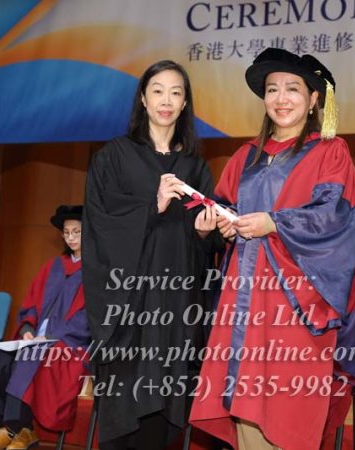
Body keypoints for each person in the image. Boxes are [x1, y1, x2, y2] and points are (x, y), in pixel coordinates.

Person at [189, 48, 355, 449]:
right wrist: (216, 224)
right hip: (244, 294)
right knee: (243, 396)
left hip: (298, 298)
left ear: (313, 99)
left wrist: (274, 222)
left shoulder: (330, 151)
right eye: (272, 89)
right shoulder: (246, 156)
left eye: (293, 88)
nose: (281, 98)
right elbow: (227, 207)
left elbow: (335, 215)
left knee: (287, 400)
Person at [82, 60, 219, 450]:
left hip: (174, 307)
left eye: (176, 93)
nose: (166, 100)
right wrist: (151, 206)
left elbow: (206, 248)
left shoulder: (194, 166)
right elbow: (99, 223)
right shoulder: (114, 156)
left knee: (162, 419)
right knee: (125, 415)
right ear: (143, 98)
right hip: (129, 307)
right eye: (158, 91)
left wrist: (204, 233)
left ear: (185, 103)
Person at [0, 205, 91, 450]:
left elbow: (90, 319)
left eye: (77, 232)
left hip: (70, 344)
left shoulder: (96, 272)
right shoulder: (53, 266)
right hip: (37, 339)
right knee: (2, 355)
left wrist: (53, 336)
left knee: (31, 354)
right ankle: (13, 428)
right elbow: (30, 304)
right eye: (67, 232)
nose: (71, 237)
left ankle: (14, 429)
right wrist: (27, 328)